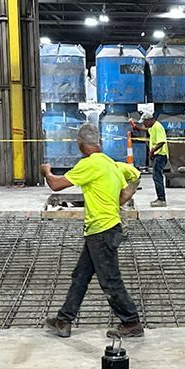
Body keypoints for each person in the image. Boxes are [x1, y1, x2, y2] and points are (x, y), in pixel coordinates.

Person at [41, 123, 145, 339]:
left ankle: (131, 321)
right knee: (80, 275)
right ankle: (64, 320)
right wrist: (121, 199)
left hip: (101, 231)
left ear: (80, 145)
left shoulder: (88, 164)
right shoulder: (111, 163)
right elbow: (135, 174)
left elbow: (56, 185)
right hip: (103, 228)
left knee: (109, 279)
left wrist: (46, 172)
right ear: (99, 142)